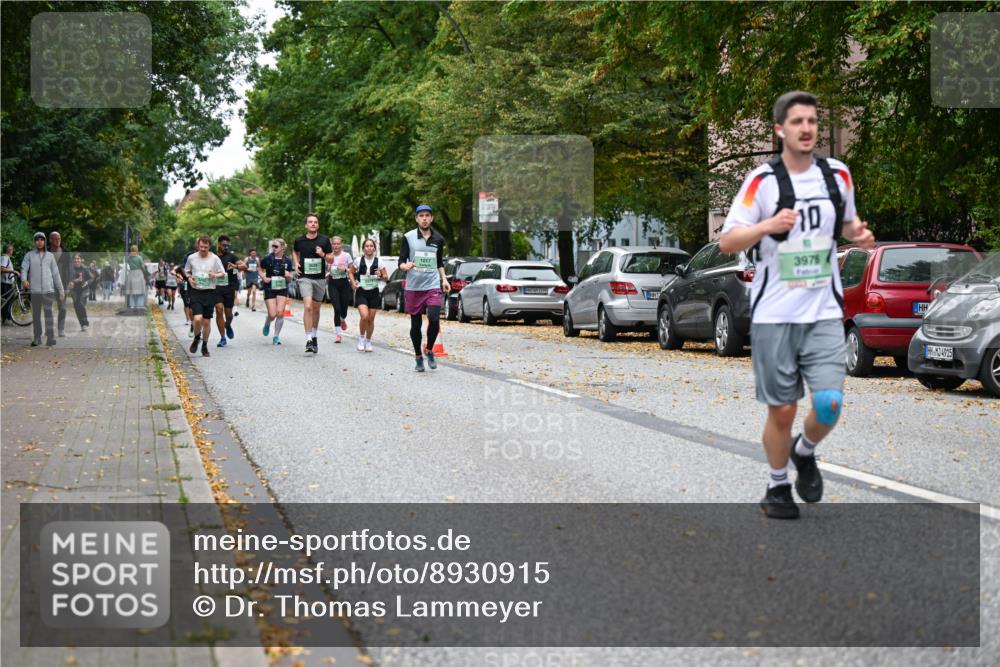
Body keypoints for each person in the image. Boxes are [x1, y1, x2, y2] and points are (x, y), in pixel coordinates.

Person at [719, 91, 875, 520]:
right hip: (775, 313)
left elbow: (845, 223)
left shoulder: (837, 175)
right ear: (779, 130)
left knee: (829, 404)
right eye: (797, 122)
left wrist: (857, 233)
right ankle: (776, 487)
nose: (806, 128)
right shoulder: (761, 183)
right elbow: (727, 240)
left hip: (824, 309)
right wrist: (768, 225)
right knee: (783, 408)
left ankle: (804, 452)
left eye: (812, 121)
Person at [398, 204, 450, 372]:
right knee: (416, 324)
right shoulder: (408, 237)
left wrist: (444, 279)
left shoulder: (438, 239)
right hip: (414, 286)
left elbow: (439, 262)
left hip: (432, 284)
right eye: (421, 216)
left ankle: (429, 350)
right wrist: (405, 266)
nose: (425, 218)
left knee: (434, 318)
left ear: (432, 218)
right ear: (416, 218)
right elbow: (401, 261)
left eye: (427, 215)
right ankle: (418, 356)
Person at [292, 213, 332, 354]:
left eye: (315, 222)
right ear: (306, 225)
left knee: (316, 309)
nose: (313, 224)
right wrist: (296, 263)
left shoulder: (324, 240)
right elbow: (295, 251)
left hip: (320, 278)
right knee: (308, 306)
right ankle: (308, 339)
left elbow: (331, 260)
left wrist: (322, 255)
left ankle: (314, 336)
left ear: (318, 225)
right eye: (310, 222)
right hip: (305, 277)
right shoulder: (299, 240)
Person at [184, 236, 226, 357]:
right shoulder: (191, 258)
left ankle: (205, 345)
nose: (203, 249)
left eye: (205, 247)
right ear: (198, 245)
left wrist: (215, 275)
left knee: (206, 322)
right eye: (201, 246)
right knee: (197, 319)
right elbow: (187, 271)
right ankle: (197, 338)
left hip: (210, 292)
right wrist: (189, 278)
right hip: (196, 291)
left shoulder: (215, 258)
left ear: (209, 247)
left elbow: (223, 273)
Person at [21, 231, 64, 346]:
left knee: (48, 314)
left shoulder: (50, 256)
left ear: (44, 241)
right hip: (35, 291)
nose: (39, 242)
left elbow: (56, 274)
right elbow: (24, 269)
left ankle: (50, 338)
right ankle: (37, 338)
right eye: (37, 240)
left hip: (48, 290)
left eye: (41, 240)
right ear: (34, 242)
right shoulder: (29, 255)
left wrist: (61, 290)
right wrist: (24, 279)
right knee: (36, 315)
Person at [350, 238, 387, 352]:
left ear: (374, 248)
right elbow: (350, 271)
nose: (369, 248)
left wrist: (380, 274)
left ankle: (368, 341)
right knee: (364, 316)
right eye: (367, 246)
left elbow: (386, 278)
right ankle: (361, 338)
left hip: (374, 292)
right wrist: (352, 282)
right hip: (362, 291)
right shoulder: (357, 260)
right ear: (363, 248)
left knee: (371, 319)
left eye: (371, 246)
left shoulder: (379, 262)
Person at [260, 238, 294, 345]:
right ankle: (267, 321)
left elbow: (289, 277)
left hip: (282, 288)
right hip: (269, 287)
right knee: (272, 314)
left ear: (282, 247)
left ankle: (276, 336)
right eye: (273, 246)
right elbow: (259, 268)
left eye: (276, 246)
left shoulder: (288, 260)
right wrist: (263, 277)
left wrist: (289, 276)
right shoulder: (267, 258)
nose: (273, 248)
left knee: (280, 313)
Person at [213, 235, 244, 348]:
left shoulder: (231, 256)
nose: (226, 247)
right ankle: (222, 338)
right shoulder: (213, 257)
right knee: (219, 309)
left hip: (229, 288)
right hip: (216, 288)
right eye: (224, 245)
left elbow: (243, 266)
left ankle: (228, 324)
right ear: (219, 244)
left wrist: (235, 266)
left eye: (228, 245)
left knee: (229, 314)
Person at [326, 236, 353, 343]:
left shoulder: (346, 255)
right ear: (331, 245)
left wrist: (345, 269)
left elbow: (352, 269)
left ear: (341, 244)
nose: (336, 246)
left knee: (344, 308)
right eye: (334, 244)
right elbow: (325, 268)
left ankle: (342, 319)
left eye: (338, 244)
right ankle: (338, 334)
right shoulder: (329, 256)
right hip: (333, 283)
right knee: (336, 308)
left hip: (344, 283)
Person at [48, 231, 71, 336]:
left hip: (62, 284)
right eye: (55, 239)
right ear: (50, 240)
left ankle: (61, 329)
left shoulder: (65, 252)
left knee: (62, 307)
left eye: (59, 239)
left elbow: (69, 269)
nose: (58, 241)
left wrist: (70, 281)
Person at [66, 253, 92, 331]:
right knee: (77, 307)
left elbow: (91, 279)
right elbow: (67, 279)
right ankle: (82, 324)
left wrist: (87, 282)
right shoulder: (70, 269)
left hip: (84, 289)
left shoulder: (85, 268)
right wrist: (74, 281)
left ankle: (85, 323)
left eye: (78, 258)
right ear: (73, 260)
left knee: (81, 305)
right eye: (75, 258)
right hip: (74, 290)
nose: (77, 260)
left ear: (81, 260)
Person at [125, 245, 148, 309]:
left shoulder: (128, 257)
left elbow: (126, 262)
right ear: (137, 250)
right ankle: (139, 305)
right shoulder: (139, 257)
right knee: (140, 289)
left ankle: (132, 304)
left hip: (131, 273)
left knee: (132, 290)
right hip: (138, 273)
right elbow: (142, 266)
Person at [1, 244, 19, 324]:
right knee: (6, 301)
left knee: (7, 301)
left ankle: (6, 318)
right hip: (5, 283)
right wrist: (13, 271)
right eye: (12, 249)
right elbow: (1, 269)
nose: (13, 251)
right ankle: (6, 319)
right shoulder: (4, 258)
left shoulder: (6, 258)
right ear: (8, 250)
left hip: (7, 282)